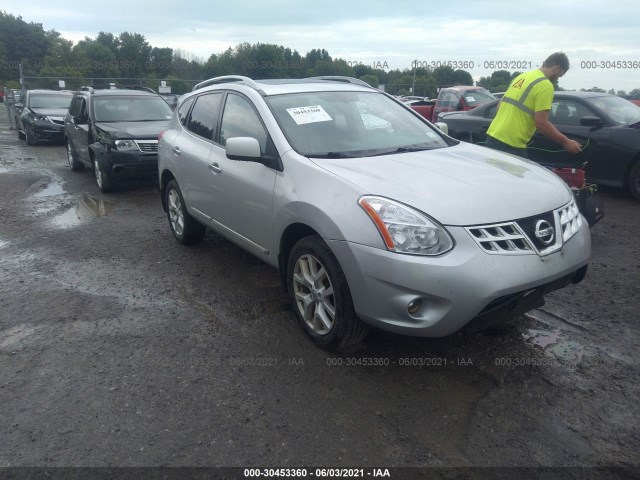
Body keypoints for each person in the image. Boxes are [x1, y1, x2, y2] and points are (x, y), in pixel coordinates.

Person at [485, 52, 582, 158]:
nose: (558, 78)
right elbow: (541, 123)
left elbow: (500, 106)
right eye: (560, 75)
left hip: (493, 136)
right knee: (519, 175)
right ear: (557, 68)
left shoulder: (522, 77)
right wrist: (566, 142)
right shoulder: (545, 85)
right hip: (511, 144)